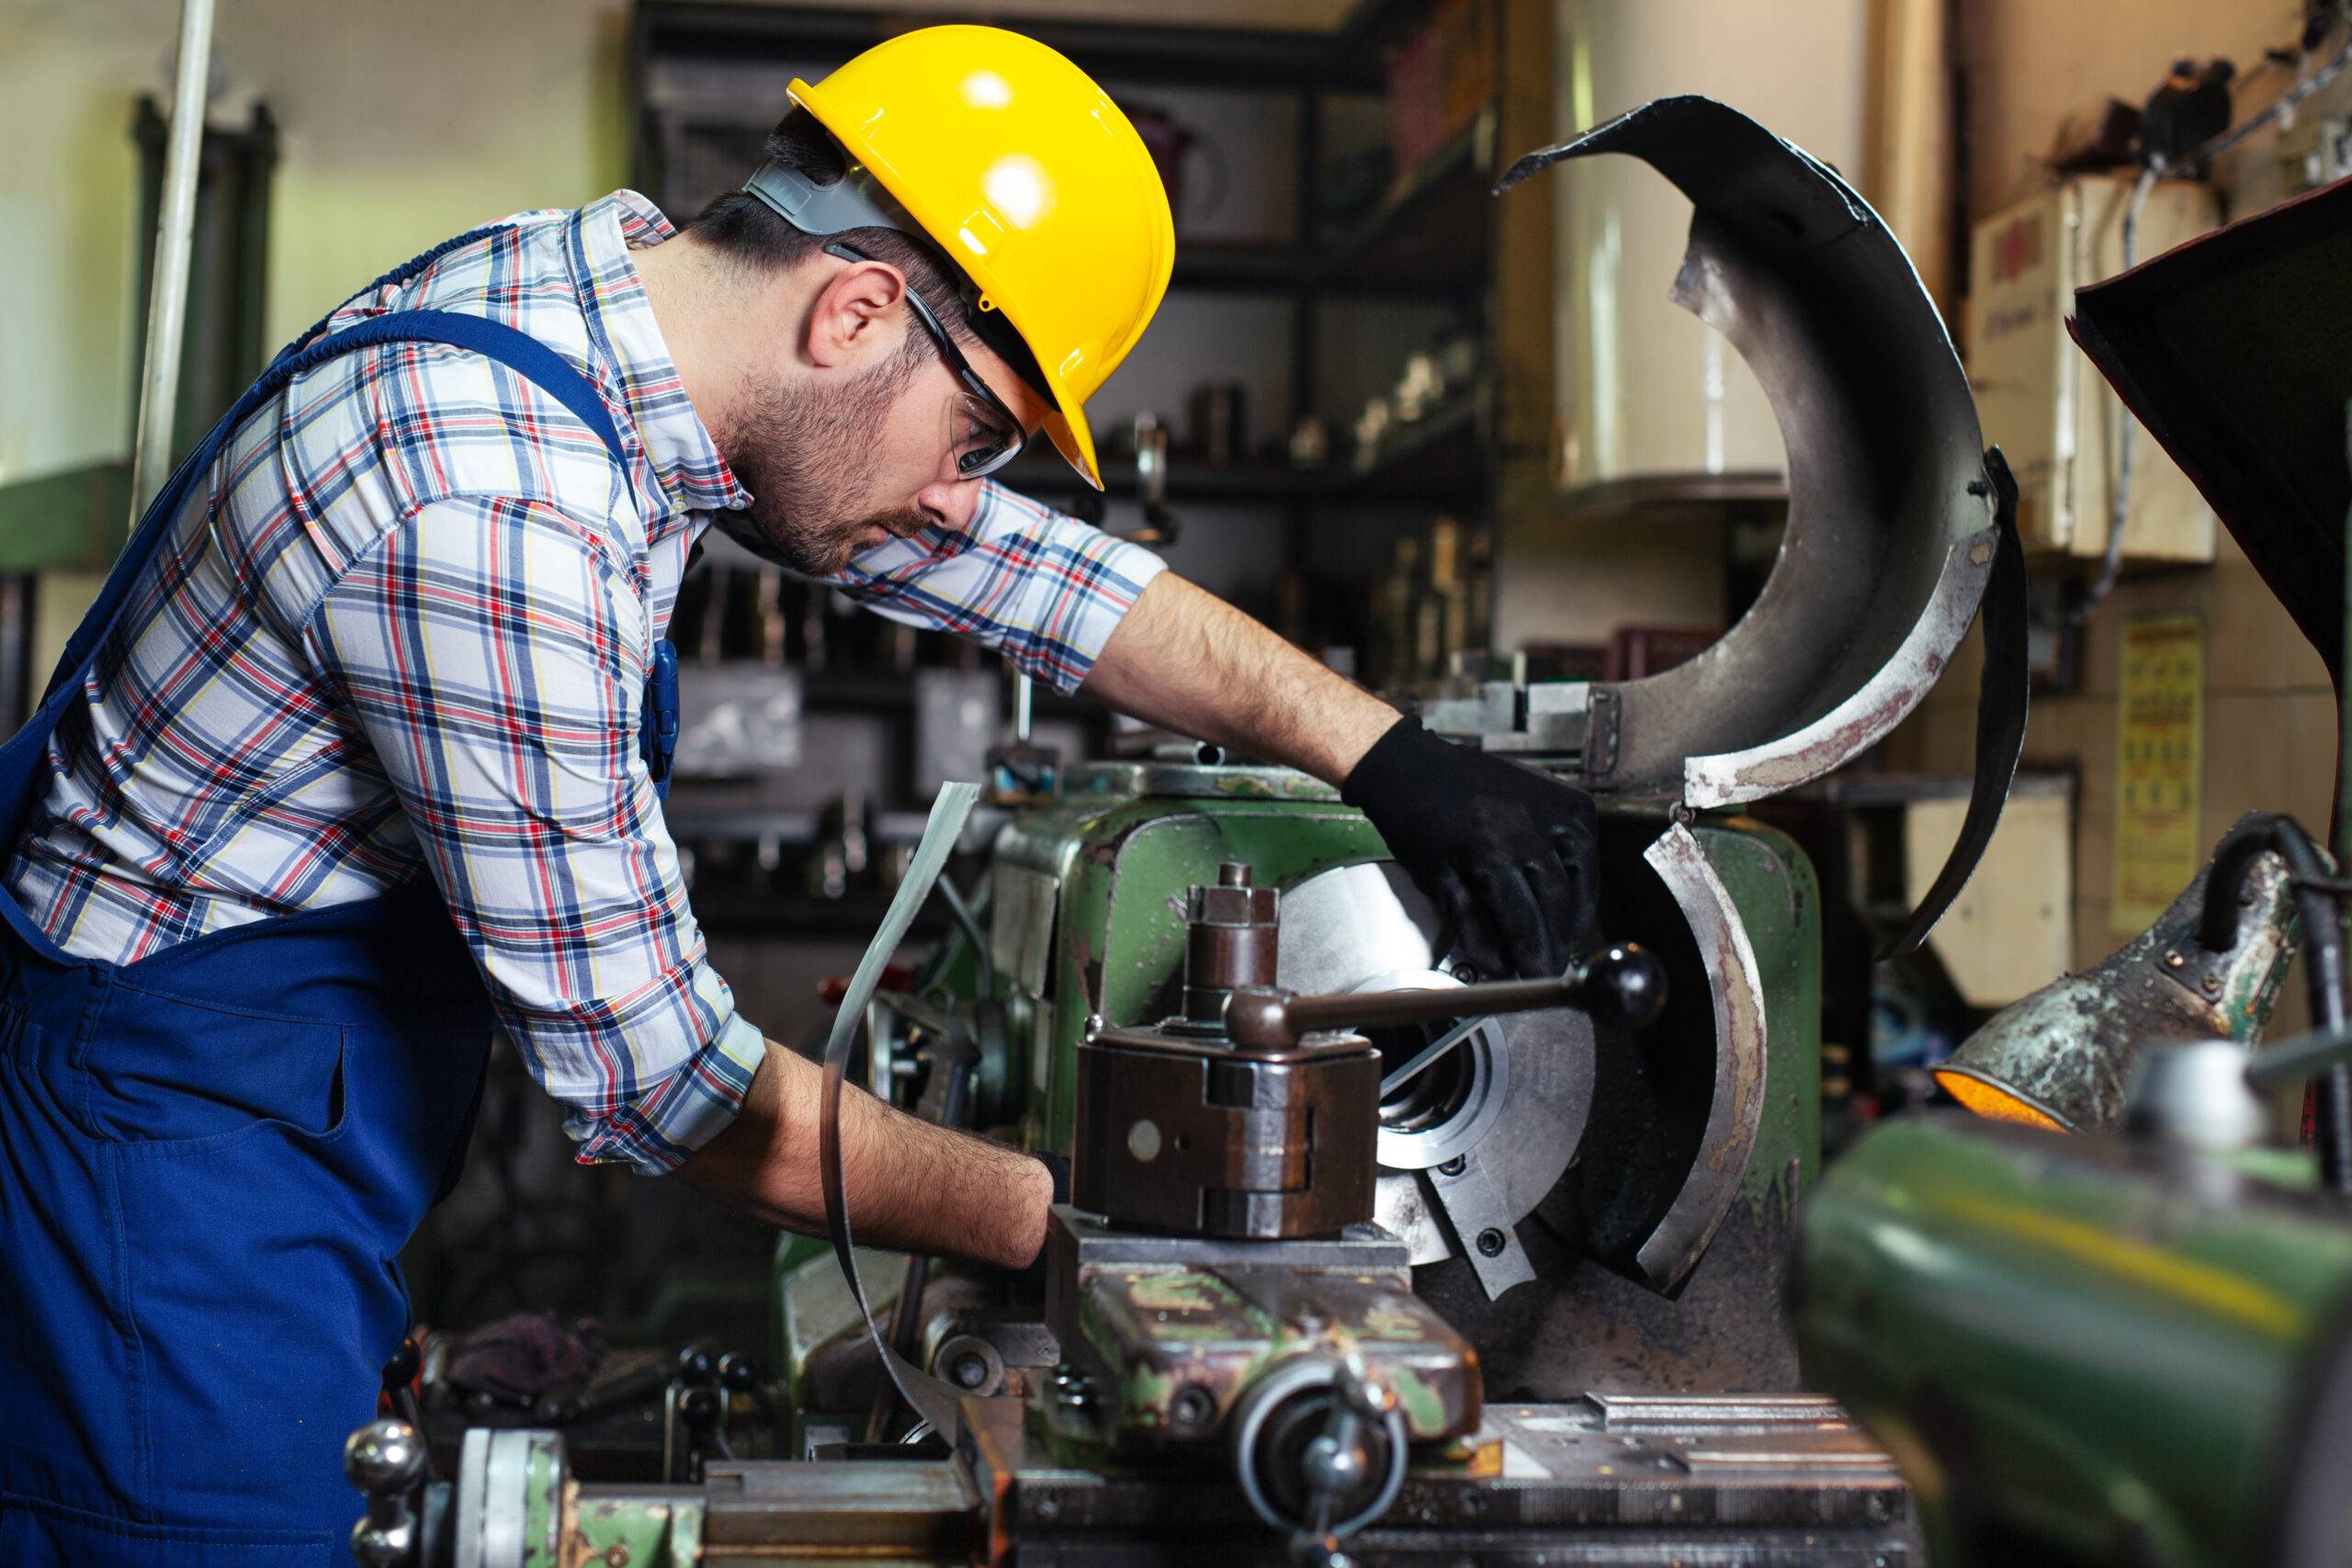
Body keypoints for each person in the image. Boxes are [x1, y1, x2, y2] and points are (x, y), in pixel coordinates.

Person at [0, 25, 1595, 1564]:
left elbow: (1030, 577)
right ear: (854, 312)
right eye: (977, 434)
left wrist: (1385, 753)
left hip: (256, 1098)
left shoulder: (610, 308)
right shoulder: (498, 508)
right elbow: (662, 1085)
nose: (961, 491)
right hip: (161, 1170)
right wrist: (1086, 1219)